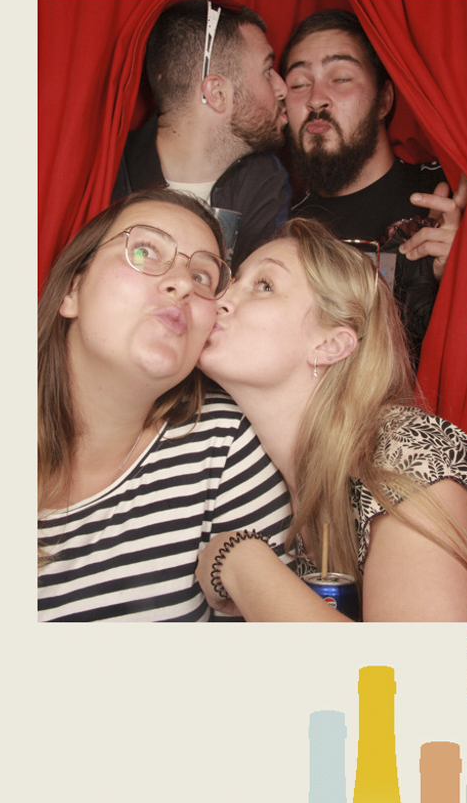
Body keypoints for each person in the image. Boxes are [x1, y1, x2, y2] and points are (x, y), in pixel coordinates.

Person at [195, 219, 467, 622]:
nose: (221, 299)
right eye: (231, 281)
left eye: (264, 286)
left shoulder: (406, 451)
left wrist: (238, 558)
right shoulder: (257, 475)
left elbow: (425, 663)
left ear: (331, 344)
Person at [37, 188, 292, 622]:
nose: (183, 284)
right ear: (73, 290)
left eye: (203, 277)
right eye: (145, 251)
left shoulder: (223, 449)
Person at [281, 9, 467, 371]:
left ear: (384, 100)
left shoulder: (447, 197)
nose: (316, 99)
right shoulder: (283, 225)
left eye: (341, 78)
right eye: (299, 84)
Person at [111, 0, 290, 266]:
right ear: (217, 93)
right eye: (267, 71)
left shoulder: (265, 181)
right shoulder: (106, 175)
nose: (283, 88)